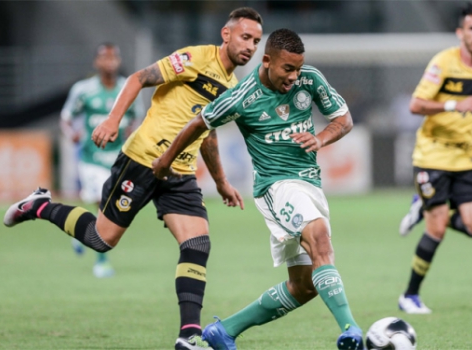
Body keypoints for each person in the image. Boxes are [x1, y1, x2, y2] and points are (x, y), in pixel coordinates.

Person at [3, 8, 263, 350]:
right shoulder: (195, 59)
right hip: (141, 160)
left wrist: (220, 181)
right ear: (226, 34)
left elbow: (209, 135)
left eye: (257, 41)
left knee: (197, 244)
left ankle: (189, 335)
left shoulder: (232, 86)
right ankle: (40, 206)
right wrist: (113, 121)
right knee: (101, 239)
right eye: (246, 37)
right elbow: (138, 77)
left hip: (180, 174)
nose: (251, 46)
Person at [152, 28, 365, 350]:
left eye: (298, 68)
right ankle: (351, 330)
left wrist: (320, 139)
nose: (294, 76)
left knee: (304, 286)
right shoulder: (242, 96)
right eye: (287, 69)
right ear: (266, 61)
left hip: (309, 184)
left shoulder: (310, 79)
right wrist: (165, 161)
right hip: (276, 187)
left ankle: (224, 331)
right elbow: (199, 124)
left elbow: (343, 119)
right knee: (320, 242)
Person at [397, 2, 472, 314]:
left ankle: (425, 207)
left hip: (467, 159)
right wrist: (453, 106)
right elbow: (415, 105)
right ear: (460, 33)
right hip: (432, 156)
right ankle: (410, 295)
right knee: (438, 228)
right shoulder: (443, 63)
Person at [61, 43, 144, 278]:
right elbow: (66, 118)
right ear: (96, 62)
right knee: (102, 201)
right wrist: (72, 134)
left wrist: (131, 132)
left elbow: (137, 117)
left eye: (113, 58)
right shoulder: (83, 90)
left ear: (118, 61)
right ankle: (102, 260)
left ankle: (78, 231)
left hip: (117, 159)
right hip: (91, 157)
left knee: (109, 205)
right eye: (104, 58)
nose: (109, 62)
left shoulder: (128, 87)